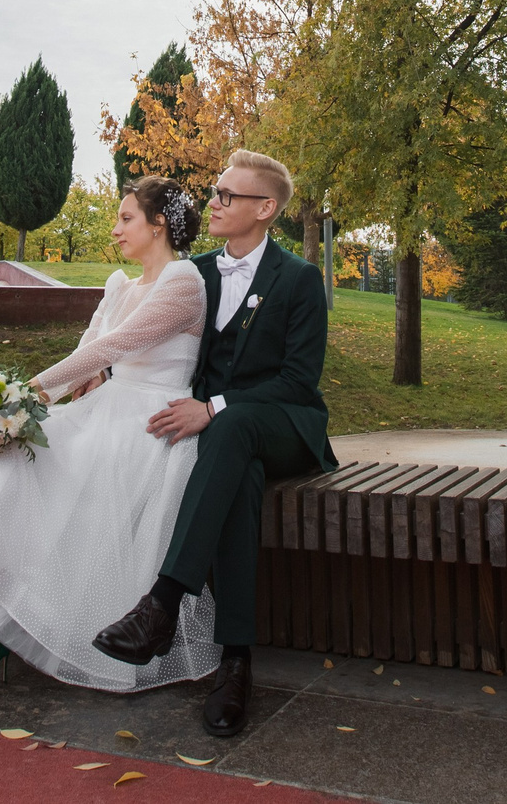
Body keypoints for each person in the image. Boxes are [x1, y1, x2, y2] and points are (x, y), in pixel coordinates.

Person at [0, 176, 222, 699]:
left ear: (159, 224)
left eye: (126, 218)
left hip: (152, 425)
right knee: (19, 451)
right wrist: (22, 406)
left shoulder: (183, 280)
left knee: (48, 478)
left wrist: (29, 391)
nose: (115, 231)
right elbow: (90, 348)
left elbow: (118, 343)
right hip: (106, 411)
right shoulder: (119, 286)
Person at [92, 149, 334, 738]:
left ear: (266, 208)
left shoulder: (300, 280)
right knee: (239, 473)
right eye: (216, 192)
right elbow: (139, 341)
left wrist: (215, 407)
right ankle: (235, 662)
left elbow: (298, 382)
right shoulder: (192, 273)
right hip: (225, 441)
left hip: (284, 424)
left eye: (228, 195)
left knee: (235, 427)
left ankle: (164, 601)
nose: (214, 202)